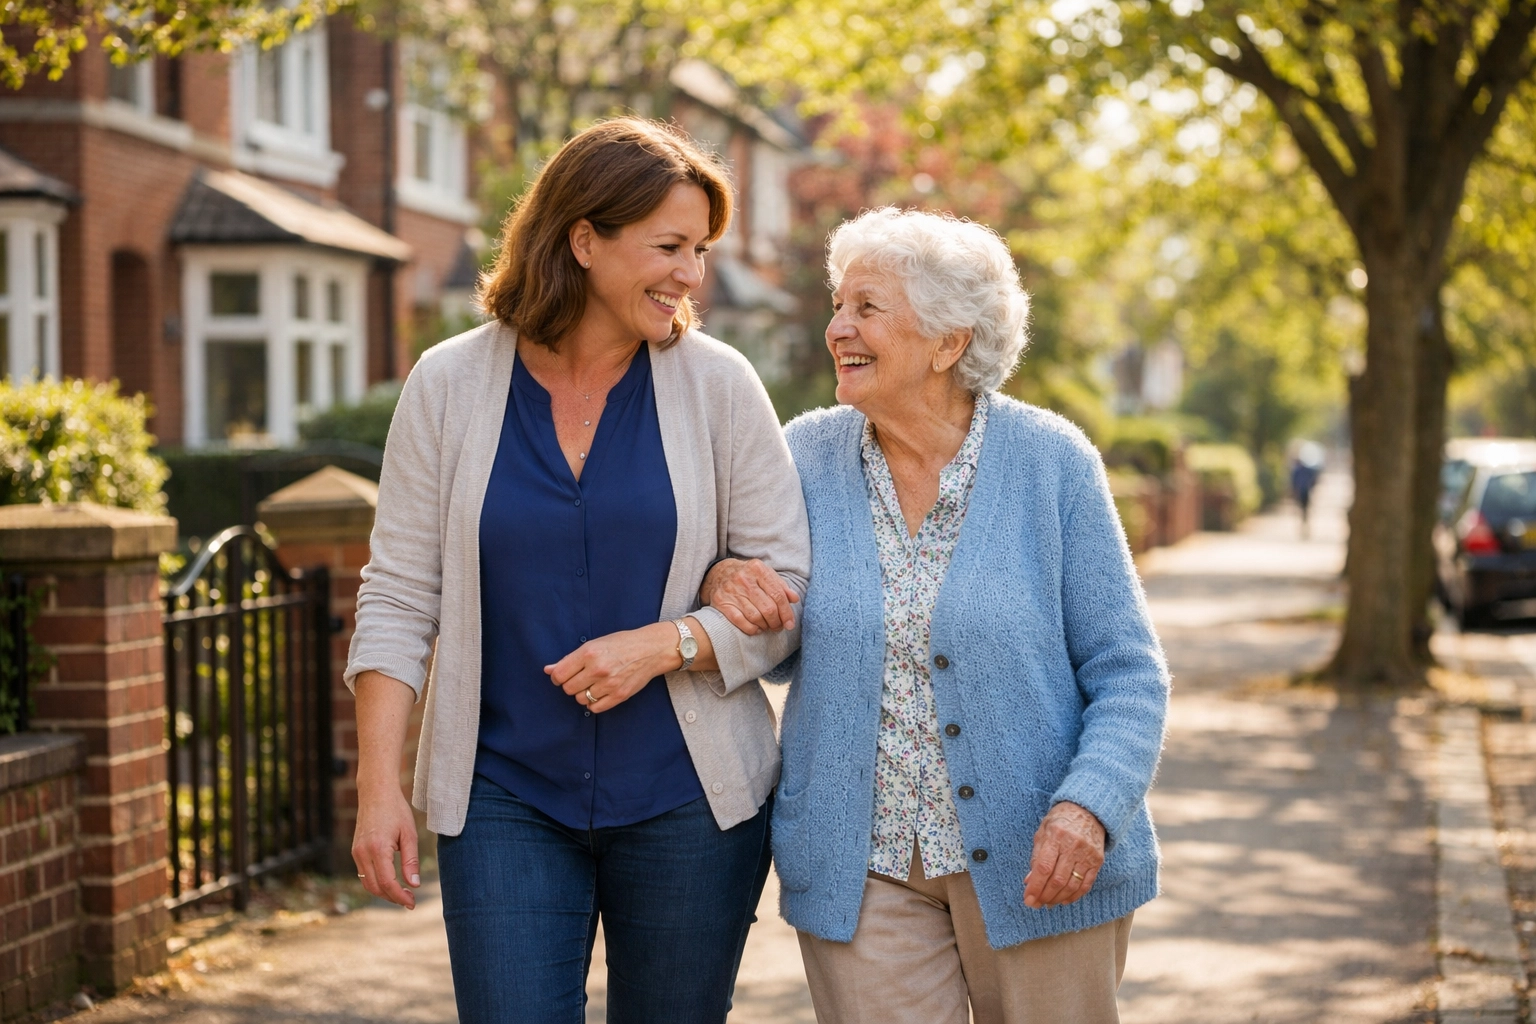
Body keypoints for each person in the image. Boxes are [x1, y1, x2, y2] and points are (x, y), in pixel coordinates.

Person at [345, 117, 810, 1024]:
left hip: (690, 801)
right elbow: (398, 595)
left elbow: (787, 592)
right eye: (670, 246)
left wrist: (671, 643)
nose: (692, 274)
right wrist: (378, 790)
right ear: (584, 239)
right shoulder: (446, 387)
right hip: (504, 794)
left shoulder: (719, 387)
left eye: (701, 250)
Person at [705, 208, 1170, 1024]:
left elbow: (1127, 671)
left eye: (868, 308)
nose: (837, 327)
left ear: (950, 342)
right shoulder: (804, 455)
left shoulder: (1051, 464)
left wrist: (1088, 805)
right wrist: (724, 577)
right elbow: (764, 616)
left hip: (1040, 860)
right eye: (839, 306)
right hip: (863, 867)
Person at [1290, 441, 1324, 538]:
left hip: (1304, 491)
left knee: (1304, 511)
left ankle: (1305, 527)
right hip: (1302, 492)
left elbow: (1313, 479)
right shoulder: (1299, 470)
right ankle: (1304, 527)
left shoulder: (1303, 470)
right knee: (1303, 511)